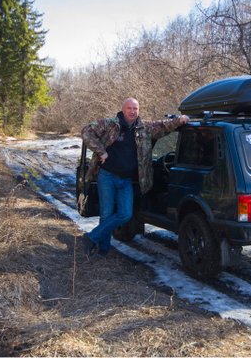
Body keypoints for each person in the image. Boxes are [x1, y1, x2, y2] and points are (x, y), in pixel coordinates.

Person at [81, 97, 189, 257]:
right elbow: (86, 131)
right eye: (129, 108)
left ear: (138, 110)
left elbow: (163, 126)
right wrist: (101, 150)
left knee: (125, 214)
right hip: (107, 176)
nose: (132, 111)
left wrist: (180, 120)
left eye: (135, 109)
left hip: (126, 180)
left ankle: (91, 237)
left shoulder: (144, 128)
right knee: (106, 213)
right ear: (123, 109)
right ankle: (103, 250)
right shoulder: (110, 124)